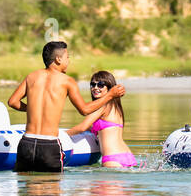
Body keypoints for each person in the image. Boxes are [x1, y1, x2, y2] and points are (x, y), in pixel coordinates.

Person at [7, 41, 125, 173]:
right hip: (49, 145)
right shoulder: (67, 81)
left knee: (27, 190)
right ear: (58, 59)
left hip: (26, 143)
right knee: (52, 191)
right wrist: (110, 95)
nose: (68, 61)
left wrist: (32, 108)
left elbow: (13, 101)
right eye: (67, 57)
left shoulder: (32, 77)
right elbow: (84, 110)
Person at [69, 70, 137, 169]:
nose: (95, 87)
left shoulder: (103, 106)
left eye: (100, 85)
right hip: (128, 156)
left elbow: (82, 127)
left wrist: (62, 135)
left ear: (109, 88)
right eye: (93, 84)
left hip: (112, 159)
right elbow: (95, 128)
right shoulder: (115, 106)